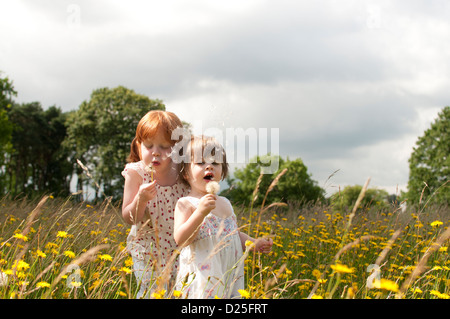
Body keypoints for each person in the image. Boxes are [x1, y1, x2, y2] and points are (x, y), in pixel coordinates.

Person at [174, 136, 273, 298]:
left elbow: (233, 233)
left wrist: (254, 243)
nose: (209, 167)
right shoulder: (186, 203)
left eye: (215, 163)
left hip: (229, 273)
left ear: (223, 170)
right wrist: (200, 213)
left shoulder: (225, 203)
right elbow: (181, 240)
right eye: (200, 163)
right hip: (203, 277)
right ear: (185, 172)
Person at [121, 110, 189, 298]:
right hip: (146, 248)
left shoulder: (184, 174)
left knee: (179, 293)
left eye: (165, 147)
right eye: (149, 145)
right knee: (152, 293)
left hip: (179, 248)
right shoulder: (136, 173)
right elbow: (128, 217)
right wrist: (140, 199)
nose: (156, 153)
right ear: (138, 145)